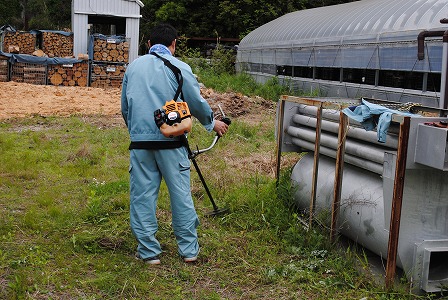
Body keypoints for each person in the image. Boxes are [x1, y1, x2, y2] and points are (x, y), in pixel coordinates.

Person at [121, 23, 228, 265]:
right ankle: (189, 251)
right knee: (180, 196)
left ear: (148, 45)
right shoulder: (179, 67)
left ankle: (149, 253)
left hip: (140, 145)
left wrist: (138, 133)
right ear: (174, 44)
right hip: (173, 143)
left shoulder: (133, 67)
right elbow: (195, 102)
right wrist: (212, 124)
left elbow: (125, 108)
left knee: (142, 197)